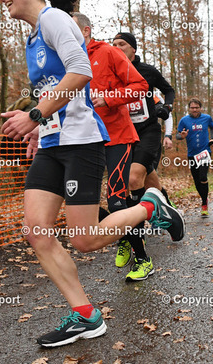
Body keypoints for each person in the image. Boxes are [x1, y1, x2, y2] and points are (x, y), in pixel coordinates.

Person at [0, 0, 184, 347]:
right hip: (52, 143)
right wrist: (38, 129)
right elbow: (52, 90)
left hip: (81, 141)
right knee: (36, 231)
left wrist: (34, 115)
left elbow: (80, 71)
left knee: (83, 239)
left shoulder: (54, 20)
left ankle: (151, 206)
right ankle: (85, 315)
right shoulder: (33, 37)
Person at [72, 14, 155, 282]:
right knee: (76, 199)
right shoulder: (65, 58)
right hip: (82, 139)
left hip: (116, 135)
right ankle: (123, 231)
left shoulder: (108, 52)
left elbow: (140, 85)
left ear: (86, 30)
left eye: (70, 27)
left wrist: (108, 98)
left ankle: (143, 259)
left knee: (117, 200)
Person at [112, 32, 176, 275]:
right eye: (113, 44)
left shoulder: (147, 71)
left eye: (122, 44)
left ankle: (136, 234)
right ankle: (168, 210)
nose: (117, 47)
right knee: (150, 182)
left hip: (148, 131)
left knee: (133, 178)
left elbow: (168, 90)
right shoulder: (111, 71)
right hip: (122, 133)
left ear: (133, 49)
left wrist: (166, 107)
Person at [176, 98, 213, 217]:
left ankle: (204, 204)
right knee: (197, 180)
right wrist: (182, 136)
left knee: (203, 177)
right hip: (192, 154)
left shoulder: (207, 118)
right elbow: (177, 135)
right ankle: (204, 198)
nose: (194, 110)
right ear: (189, 108)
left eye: (196, 107)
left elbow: (212, 127)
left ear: (200, 108)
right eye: (192, 108)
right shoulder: (184, 120)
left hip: (204, 152)